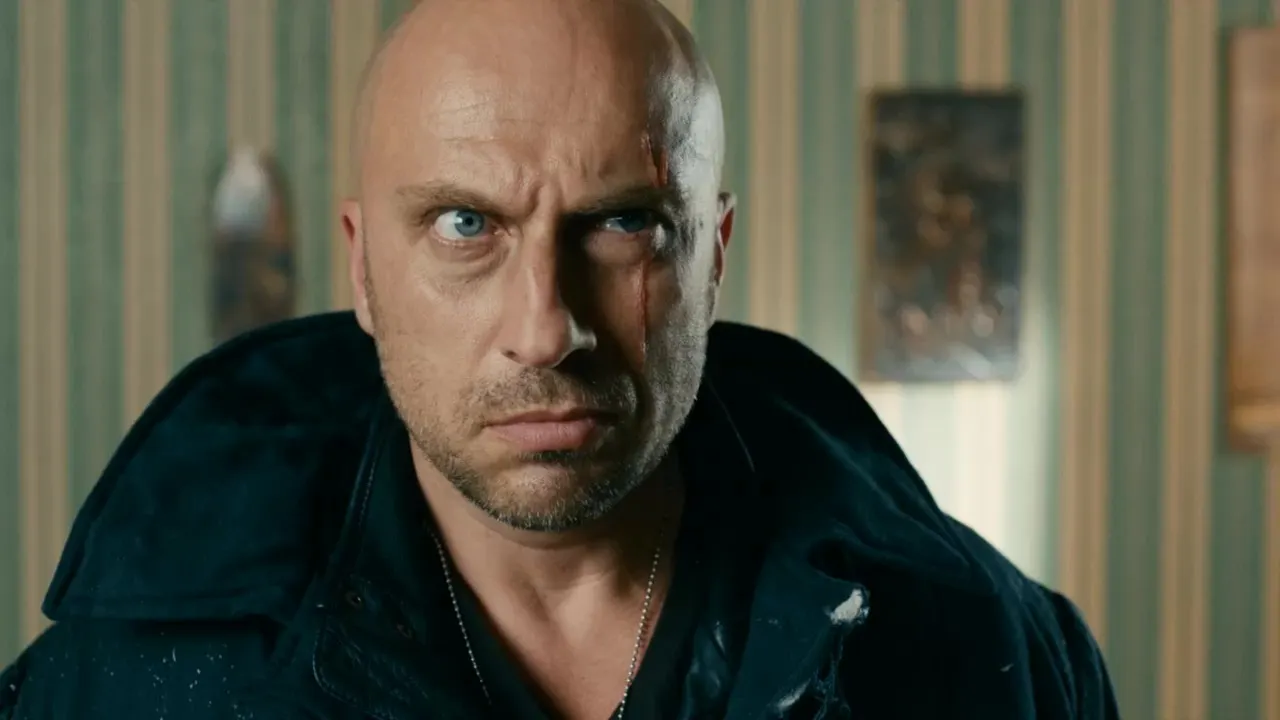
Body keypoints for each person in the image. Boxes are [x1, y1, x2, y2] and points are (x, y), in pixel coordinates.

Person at [0, 0, 1118, 718]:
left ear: (712, 257)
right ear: (362, 269)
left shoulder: (986, 654)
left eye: (622, 223)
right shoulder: (120, 689)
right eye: (464, 225)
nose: (545, 330)